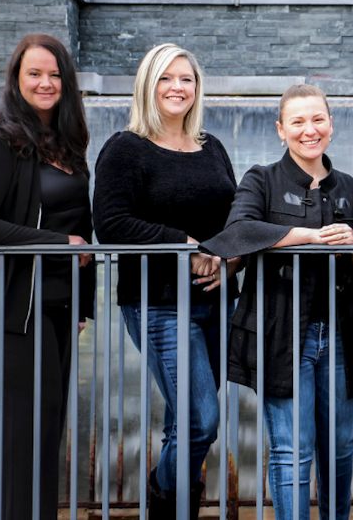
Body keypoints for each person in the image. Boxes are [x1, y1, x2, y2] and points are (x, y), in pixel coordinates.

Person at [202, 84, 353, 520]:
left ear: (331, 125)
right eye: (297, 121)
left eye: (318, 120)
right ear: (281, 129)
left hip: (340, 333)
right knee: (292, 448)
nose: (309, 130)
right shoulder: (261, 178)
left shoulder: (351, 187)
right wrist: (311, 237)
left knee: (340, 445)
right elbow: (239, 231)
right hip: (281, 334)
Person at [93, 43, 239, 519]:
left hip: (217, 301)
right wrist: (185, 246)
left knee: (184, 424)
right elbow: (111, 223)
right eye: (166, 78)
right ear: (147, 85)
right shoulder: (125, 148)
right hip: (158, 302)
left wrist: (230, 259)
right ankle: (162, 498)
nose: (178, 87)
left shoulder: (211, 147)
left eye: (186, 79)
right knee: (201, 421)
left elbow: (235, 218)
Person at [0, 34, 95, 520]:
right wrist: (57, 244)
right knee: (20, 431)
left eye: (55, 74)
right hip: (8, 308)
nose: (45, 83)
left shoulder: (68, 142)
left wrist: (83, 305)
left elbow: (81, 226)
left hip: (58, 306)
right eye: (34, 73)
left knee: (45, 429)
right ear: (16, 79)